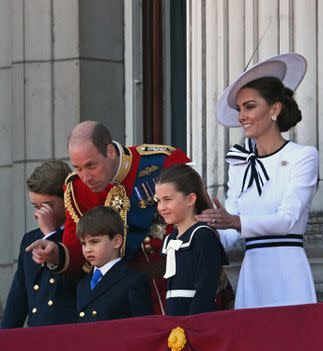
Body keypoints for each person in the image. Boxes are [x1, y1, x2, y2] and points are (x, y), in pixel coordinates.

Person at [26, 121, 189, 314]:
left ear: (110, 151)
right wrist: (57, 254)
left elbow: (195, 225)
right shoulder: (76, 189)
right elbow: (77, 247)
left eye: (91, 165)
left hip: (177, 287)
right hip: (120, 303)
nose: (85, 177)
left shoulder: (163, 162)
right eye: (77, 168)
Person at [196, 53, 319, 309]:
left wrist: (235, 221)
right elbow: (230, 236)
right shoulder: (239, 162)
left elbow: (289, 219)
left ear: (274, 109)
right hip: (252, 273)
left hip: (288, 272)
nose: (242, 115)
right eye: (239, 108)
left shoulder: (303, 156)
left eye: (249, 106)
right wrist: (201, 222)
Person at [2, 160, 77, 328]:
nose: (40, 213)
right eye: (36, 206)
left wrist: (50, 234)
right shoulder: (29, 240)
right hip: (37, 335)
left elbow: (69, 279)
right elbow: (18, 298)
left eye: (47, 206)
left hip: (68, 334)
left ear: (66, 199)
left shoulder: (82, 235)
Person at [155, 164, 228, 316]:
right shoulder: (170, 239)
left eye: (167, 199)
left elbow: (205, 290)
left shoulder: (203, 237)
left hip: (195, 322)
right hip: (174, 321)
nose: (161, 207)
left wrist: (192, 326)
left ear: (190, 199)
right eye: (158, 201)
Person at [76, 206, 153, 321]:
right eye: (83, 243)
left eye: (94, 241)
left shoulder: (133, 280)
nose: (87, 249)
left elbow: (143, 328)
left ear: (116, 241)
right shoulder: (83, 284)